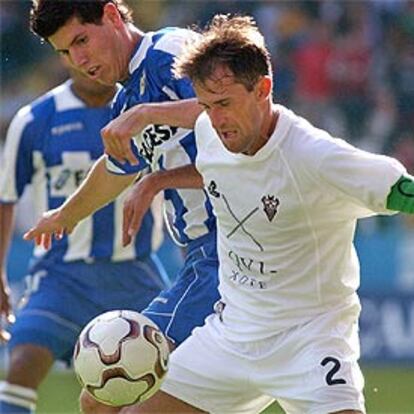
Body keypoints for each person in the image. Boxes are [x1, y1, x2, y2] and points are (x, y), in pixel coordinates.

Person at [90, 14, 414, 414]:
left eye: (224, 103)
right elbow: (196, 121)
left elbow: (403, 191)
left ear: (263, 88)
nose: (216, 119)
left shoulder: (315, 156)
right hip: (229, 339)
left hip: (310, 343)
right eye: (208, 105)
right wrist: (152, 149)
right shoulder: (212, 129)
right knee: (102, 405)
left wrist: (149, 121)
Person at [26, 1, 220, 411]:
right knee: (100, 399)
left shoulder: (171, 53)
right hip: (202, 263)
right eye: (64, 52)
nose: (78, 60)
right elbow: (117, 169)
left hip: (228, 256)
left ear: (113, 16)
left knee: (110, 402)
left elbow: (231, 114)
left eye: (82, 40)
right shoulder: (126, 101)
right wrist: (66, 215)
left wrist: (148, 124)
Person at [0, 66, 169, 414]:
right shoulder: (35, 119)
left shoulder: (148, 109)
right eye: (72, 48)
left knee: (168, 384)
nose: (86, 59)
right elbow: (6, 197)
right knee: (22, 363)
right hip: (62, 276)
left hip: (136, 275)